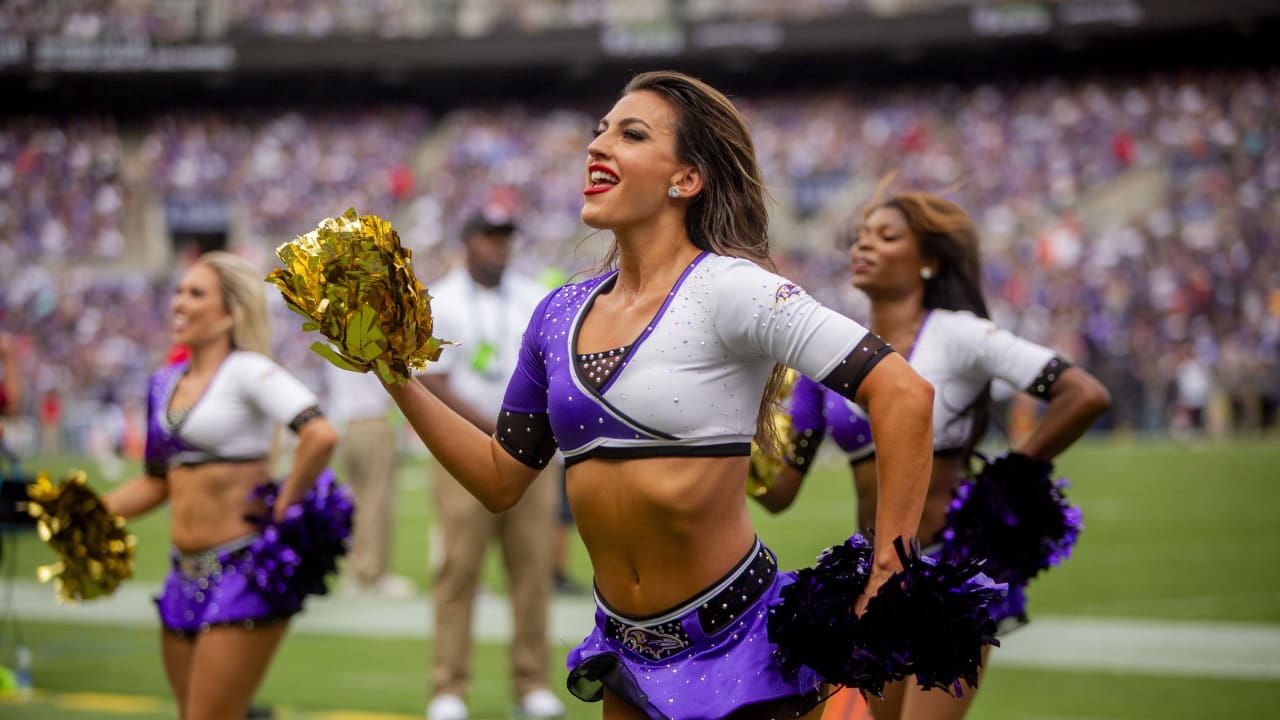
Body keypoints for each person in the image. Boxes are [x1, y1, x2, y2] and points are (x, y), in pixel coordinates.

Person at [378, 71, 937, 720]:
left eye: (631, 134)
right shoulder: (556, 314)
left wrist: (890, 575)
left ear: (686, 179)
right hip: (628, 661)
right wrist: (391, 369)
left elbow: (904, 392)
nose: (598, 146)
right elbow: (503, 479)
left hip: (747, 651)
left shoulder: (734, 289)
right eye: (598, 133)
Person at [754, 189, 1112, 720]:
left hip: (945, 575)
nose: (864, 245)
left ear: (929, 261)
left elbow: (1084, 394)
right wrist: (722, 436)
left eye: (887, 236)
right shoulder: (830, 351)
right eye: (861, 236)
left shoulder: (959, 335)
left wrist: (1011, 475)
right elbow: (778, 492)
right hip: (870, 579)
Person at [104, 251, 340, 720]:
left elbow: (320, 434)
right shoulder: (162, 383)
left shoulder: (248, 371)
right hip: (181, 575)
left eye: (196, 294)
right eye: (179, 291)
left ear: (230, 312)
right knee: (194, 711)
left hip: (244, 570)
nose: (180, 303)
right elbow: (155, 483)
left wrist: (286, 503)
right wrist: (83, 515)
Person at [417, 209, 566, 720]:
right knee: (458, 570)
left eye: (506, 237)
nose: (499, 246)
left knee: (532, 570)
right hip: (464, 453)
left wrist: (523, 434)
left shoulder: (532, 296)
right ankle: (449, 688)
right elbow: (431, 380)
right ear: (467, 240)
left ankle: (532, 684)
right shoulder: (440, 298)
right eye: (490, 236)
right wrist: (495, 428)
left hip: (532, 456)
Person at [325, 364, 413, 598]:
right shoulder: (368, 336)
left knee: (356, 500)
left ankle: (356, 569)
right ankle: (372, 573)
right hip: (372, 420)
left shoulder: (336, 332)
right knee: (377, 499)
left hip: (347, 425)